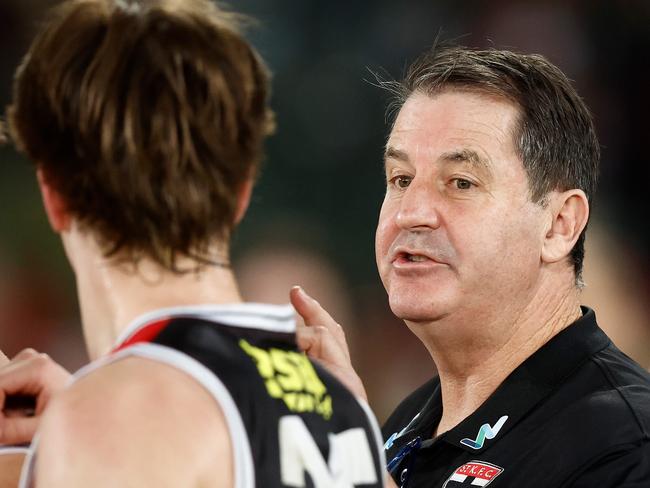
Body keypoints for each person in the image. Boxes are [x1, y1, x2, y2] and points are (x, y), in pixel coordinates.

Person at [2, 0, 386, 486]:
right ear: (242, 192)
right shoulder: (344, 409)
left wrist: (94, 415)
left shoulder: (121, 415)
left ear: (53, 195)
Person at [292, 45, 650, 487]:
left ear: (559, 225)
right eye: (401, 179)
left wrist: (355, 458)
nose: (411, 212)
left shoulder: (624, 444)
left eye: (461, 183)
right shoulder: (409, 424)